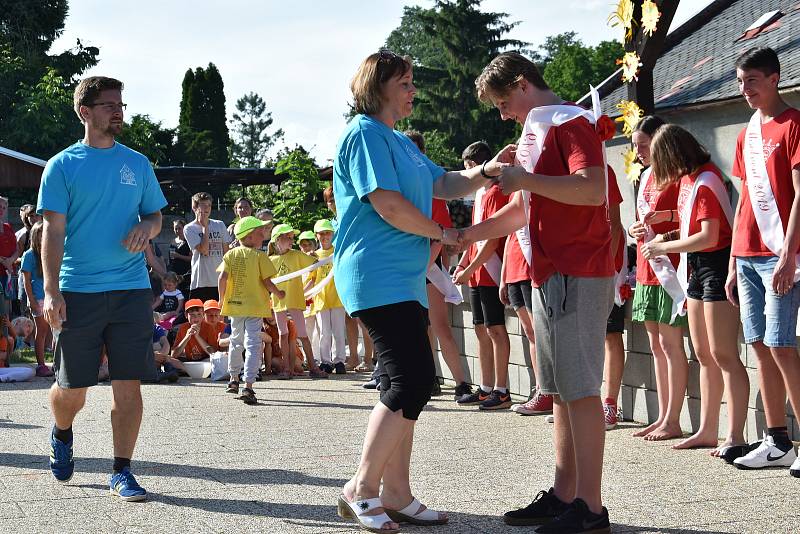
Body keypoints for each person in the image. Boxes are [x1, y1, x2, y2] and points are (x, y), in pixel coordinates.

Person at [333, 50, 507, 532]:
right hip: (375, 273)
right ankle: (362, 489)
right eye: (405, 83)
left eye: (412, 82)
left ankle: (396, 493)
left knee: (404, 381)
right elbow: (387, 204)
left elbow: (446, 182)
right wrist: (442, 233)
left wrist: (488, 171)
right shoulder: (365, 133)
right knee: (411, 378)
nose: (413, 90)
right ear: (379, 85)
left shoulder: (398, 142)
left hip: (401, 277)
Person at [464, 52, 612, 531]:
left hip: (578, 270)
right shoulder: (541, 130)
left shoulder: (569, 123)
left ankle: (590, 508)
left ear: (524, 84)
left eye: (505, 102)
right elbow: (524, 210)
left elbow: (591, 190)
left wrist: (524, 178)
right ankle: (565, 493)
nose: (504, 113)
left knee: (580, 391)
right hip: (549, 274)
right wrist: (467, 237)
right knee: (562, 391)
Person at [39, 76, 167, 501]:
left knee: (128, 383)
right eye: (109, 104)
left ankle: (122, 470)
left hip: (130, 288)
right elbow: (52, 233)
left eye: (120, 104)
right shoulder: (61, 166)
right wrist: (51, 290)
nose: (118, 111)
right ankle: (61, 432)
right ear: (85, 111)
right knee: (72, 391)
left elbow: (155, 216)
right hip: (78, 290)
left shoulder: (138, 163)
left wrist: (146, 228)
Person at [642, 124, 749, 459]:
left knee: (724, 354)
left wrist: (665, 245)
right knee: (704, 353)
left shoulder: (706, 179)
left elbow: (709, 235)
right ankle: (707, 430)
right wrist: (665, 235)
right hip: (698, 269)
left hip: (717, 267)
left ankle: (735, 435)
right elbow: (692, 226)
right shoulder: (690, 179)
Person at [722, 48, 800, 475]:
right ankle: (777, 441)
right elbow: (744, 200)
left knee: (782, 345)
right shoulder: (745, 133)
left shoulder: (795, 124)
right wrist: (734, 260)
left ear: (774, 79)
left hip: (780, 254)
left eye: (752, 79)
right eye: (740, 81)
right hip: (747, 255)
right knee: (758, 346)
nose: (745, 89)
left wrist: (789, 252)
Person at [627, 115, 690, 441]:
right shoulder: (648, 175)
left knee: (670, 344)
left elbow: (692, 217)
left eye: (643, 144)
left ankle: (673, 418)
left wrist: (664, 220)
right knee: (655, 345)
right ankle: (663, 414)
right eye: (635, 145)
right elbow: (644, 221)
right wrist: (635, 228)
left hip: (671, 267)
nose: (638, 151)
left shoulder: (679, 175)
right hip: (646, 268)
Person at [405, 129, 471, 400]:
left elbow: (439, 235)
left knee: (439, 326)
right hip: (412, 267)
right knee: (422, 330)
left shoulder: (432, 191)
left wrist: (422, 267)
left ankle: (461, 383)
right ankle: (430, 378)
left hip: (427, 267)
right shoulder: (405, 188)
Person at [453, 141, 512, 410]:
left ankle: (502, 388)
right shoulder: (480, 195)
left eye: (469, 169)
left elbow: (491, 239)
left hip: (491, 270)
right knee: (481, 329)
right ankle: (486, 386)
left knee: (496, 329)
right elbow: (474, 235)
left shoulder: (497, 191)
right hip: (477, 272)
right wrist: (463, 263)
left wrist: (470, 268)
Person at [218, 216, 285, 404]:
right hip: (255, 307)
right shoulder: (259, 256)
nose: (263, 234)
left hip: (234, 307)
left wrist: (222, 299)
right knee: (253, 344)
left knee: (235, 341)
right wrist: (278, 293)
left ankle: (233, 379)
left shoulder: (230, 255)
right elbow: (267, 281)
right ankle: (248, 385)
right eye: (259, 232)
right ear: (248, 237)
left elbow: (222, 278)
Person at [325, 184, 375, 372]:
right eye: (329, 201)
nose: (333, 204)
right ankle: (353, 357)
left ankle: (368, 359)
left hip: (358, 271)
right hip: (340, 271)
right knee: (348, 317)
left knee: (363, 318)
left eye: (335, 199)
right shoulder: (331, 224)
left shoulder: (352, 218)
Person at [270, 224, 328, 379]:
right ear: (277, 240)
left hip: (295, 300)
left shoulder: (296, 255)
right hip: (278, 302)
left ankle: (313, 368)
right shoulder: (271, 260)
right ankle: (287, 369)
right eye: (287, 237)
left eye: (291, 237)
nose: (291, 240)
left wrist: (315, 255)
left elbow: (314, 263)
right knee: (283, 334)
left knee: (302, 335)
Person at [310, 219, 347, 374]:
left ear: (332, 234)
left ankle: (339, 361)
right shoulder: (314, 255)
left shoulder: (338, 251)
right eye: (321, 233)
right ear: (316, 235)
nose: (325, 236)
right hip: (321, 299)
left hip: (337, 297)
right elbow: (312, 278)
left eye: (328, 233)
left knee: (339, 331)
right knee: (324, 332)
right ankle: (326, 361)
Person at [20, 221, 54, 377]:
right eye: (40, 234)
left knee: (53, 332)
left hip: (51, 297)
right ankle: (40, 365)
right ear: (34, 236)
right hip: (38, 298)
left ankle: (56, 363)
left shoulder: (50, 252)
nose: (43, 237)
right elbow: (26, 281)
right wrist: (31, 300)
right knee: (41, 331)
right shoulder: (29, 255)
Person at [184, 192, 231, 301]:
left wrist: (227, 277)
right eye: (203, 205)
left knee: (220, 316)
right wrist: (205, 227)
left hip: (219, 280)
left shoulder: (220, 224)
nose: (207, 208)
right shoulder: (189, 228)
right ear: (195, 207)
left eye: (209, 205)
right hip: (201, 282)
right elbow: (204, 250)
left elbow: (227, 253)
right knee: (201, 316)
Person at [171, 299, 219, 364]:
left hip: (205, 361)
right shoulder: (183, 328)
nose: (196, 318)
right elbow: (173, 355)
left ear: (203, 315)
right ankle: (187, 370)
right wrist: (186, 338)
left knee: (215, 361)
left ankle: (188, 371)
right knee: (169, 360)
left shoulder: (209, 327)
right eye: (192, 315)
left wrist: (197, 336)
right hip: (190, 361)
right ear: (186, 315)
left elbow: (213, 353)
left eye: (199, 314)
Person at [0, 196, 19, 344]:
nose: (1, 210)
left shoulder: (7, 227)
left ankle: (5, 344)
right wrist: (4, 261)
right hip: (3, 270)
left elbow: (16, 249)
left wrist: (11, 261)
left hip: (7, 275)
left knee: (6, 311)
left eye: (4, 207)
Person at [169, 218, 192, 296]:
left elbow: (191, 259)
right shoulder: (173, 241)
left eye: (179, 228)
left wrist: (178, 256)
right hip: (174, 272)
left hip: (185, 273)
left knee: (184, 294)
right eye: (175, 228)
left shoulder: (189, 241)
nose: (177, 230)